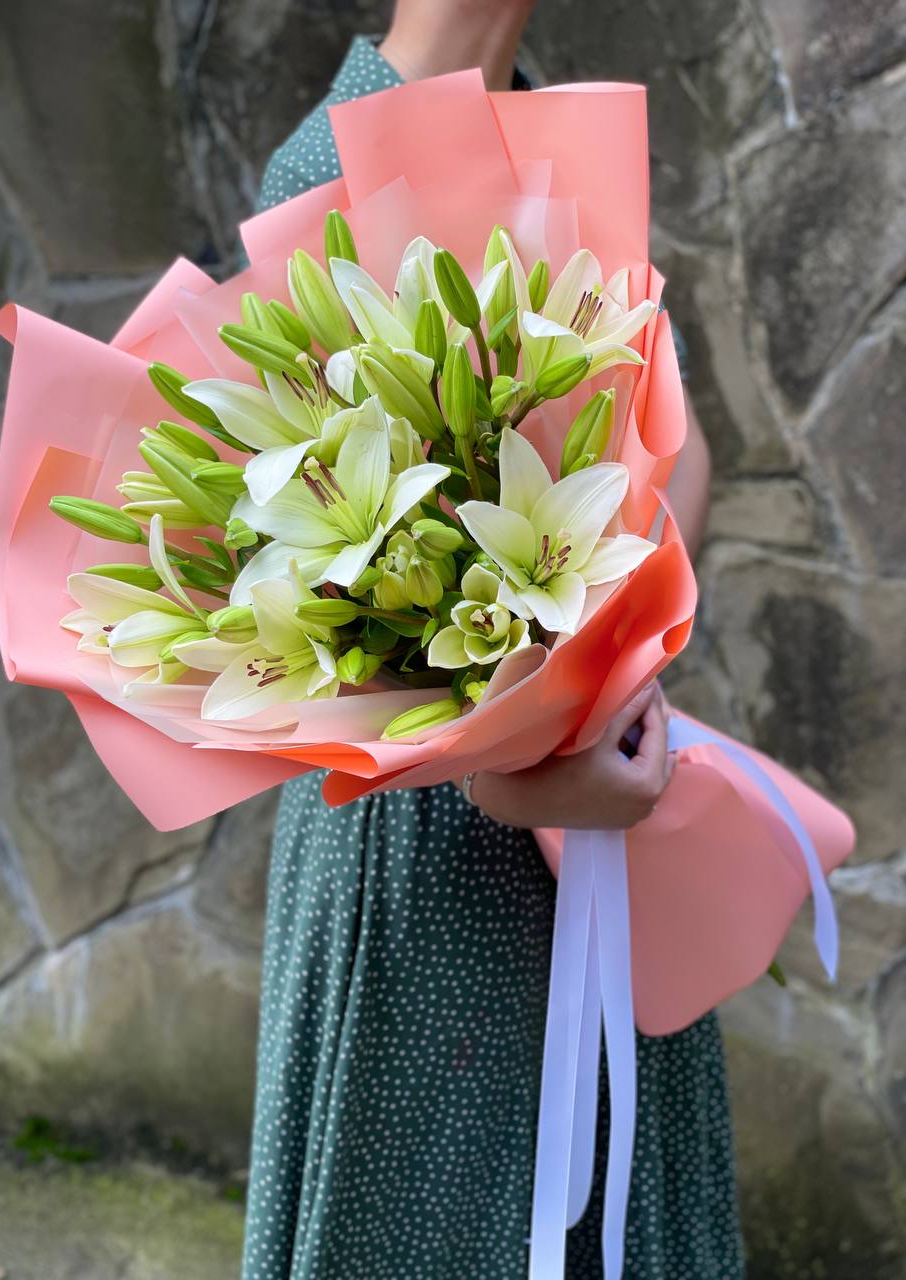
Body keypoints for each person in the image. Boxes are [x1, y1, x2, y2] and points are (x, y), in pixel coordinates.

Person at [242, 4, 743, 1277]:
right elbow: (307, 606)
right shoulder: (329, 168)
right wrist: (509, 770)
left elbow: (678, 449)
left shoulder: (545, 118)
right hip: (429, 863)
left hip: (590, 810)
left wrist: (611, 664)